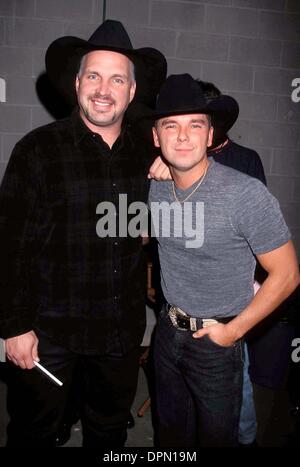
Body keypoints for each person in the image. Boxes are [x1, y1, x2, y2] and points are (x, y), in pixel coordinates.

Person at [0, 20, 167, 448]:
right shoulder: (36, 149)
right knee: (33, 432)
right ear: (77, 83)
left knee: (108, 433)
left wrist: (173, 167)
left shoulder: (151, 152)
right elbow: (8, 244)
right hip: (48, 333)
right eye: (93, 75)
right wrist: (13, 327)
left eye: (117, 79)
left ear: (131, 92)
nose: (103, 88)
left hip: (119, 334)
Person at [147, 74, 299, 447]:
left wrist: (232, 332)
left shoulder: (245, 194)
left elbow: (288, 274)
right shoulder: (156, 183)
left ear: (211, 135)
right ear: (156, 137)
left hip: (217, 343)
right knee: (170, 437)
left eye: (195, 125)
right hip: (167, 334)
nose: (183, 136)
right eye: (171, 126)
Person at [200, 79, 266, 447]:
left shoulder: (245, 160)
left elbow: (260, 231)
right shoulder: (175, 157)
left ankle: (245, 439)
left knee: (237, 376)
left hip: (232, 288)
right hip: (187, 288)